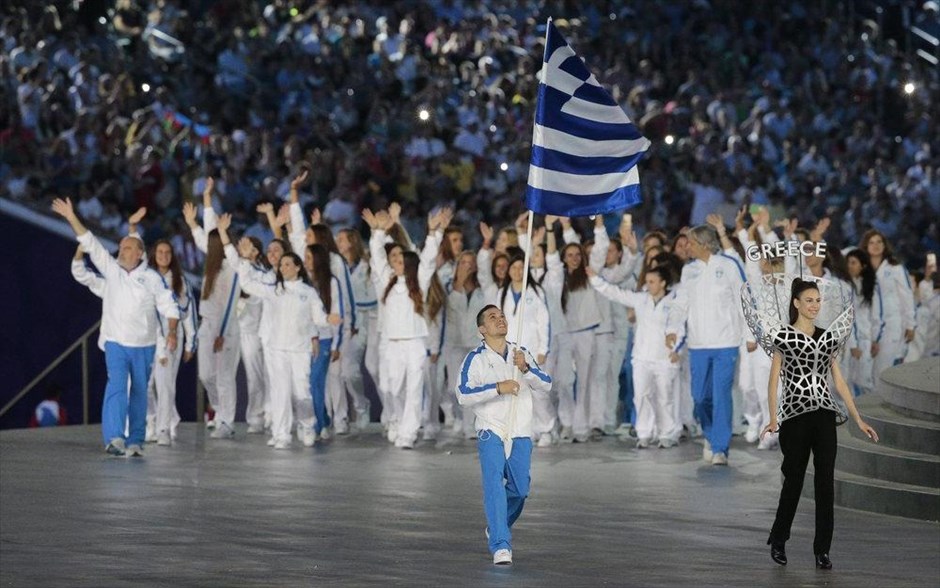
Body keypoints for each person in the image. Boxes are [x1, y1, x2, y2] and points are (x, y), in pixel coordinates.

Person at [745, 277, 878, 570]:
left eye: (818, 300)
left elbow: (839, 381)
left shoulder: (828, 337)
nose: (815, 305)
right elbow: (773, 380)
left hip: (824, 415)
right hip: (794, 417)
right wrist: (772, 416)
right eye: (809, 300)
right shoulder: (784, 337)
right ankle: (779, 539)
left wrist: (858, 418)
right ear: (796, 303)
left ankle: (823, 550)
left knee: (825, 483)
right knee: (793, 479)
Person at [52, 197, 179, 457]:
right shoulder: (112, 271)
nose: (120, 250)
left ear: (140, 253)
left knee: (140, 394)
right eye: (121, 247)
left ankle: (135, 440)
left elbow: (169, 306)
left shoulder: (153, 278)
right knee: (117, 386)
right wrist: (71, 216)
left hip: (144, 344)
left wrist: (173, 332)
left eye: (127, 247)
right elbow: (90, 242)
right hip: (115, 342)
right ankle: (114, 438)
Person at [219, 219, 339, 449]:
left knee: (301, 390)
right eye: (281, 265)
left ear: (297, 267)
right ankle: (281, 433)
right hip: (276, 348)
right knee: (279, 390)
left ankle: (306, 425)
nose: (282, 268)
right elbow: (247, 284)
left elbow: (318, 317)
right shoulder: (273, 289)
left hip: (300, 348)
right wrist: (244, 259)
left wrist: (329, 320)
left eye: (287, 264)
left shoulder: (308, 292)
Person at [456, 304, 552, 566]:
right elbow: (463, 394)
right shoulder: (475, 359)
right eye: (492, 317)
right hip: (491, 429)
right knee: (494, 485)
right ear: (482, 330)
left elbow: (546, 385)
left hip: (520, 429)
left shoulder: (521, 355)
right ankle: (501, 544)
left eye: (501, 316)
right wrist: (498, 388)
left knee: (520, 490)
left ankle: (498, 525)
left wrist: (526, 370)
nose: (500, 319)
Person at [363, 205, 445, 449]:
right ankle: (397, 419)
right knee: (391, 387)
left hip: (415, 343)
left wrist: (433, 233)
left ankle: (408, 432)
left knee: (414, 388)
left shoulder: (419, 281)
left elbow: (429, 259)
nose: (397, 261)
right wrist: (377, 232)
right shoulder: (385, 280)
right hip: (391, 344)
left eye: (401, 258)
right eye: (394, 258)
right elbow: (377, 257)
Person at [666, 224, 748, 465]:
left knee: (721, 394)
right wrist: (672, 329)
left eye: (690, 242)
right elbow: (681, 303)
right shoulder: (688, 270)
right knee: (700, 397)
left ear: (703, 244)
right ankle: (711, 436)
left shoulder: (728, 265)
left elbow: (745, 298)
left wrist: (752, 335)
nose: (686, 246)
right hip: (698, 344)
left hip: (726, 342)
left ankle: (720, 447)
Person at [588, 266, 683, 448]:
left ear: (663, 283)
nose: (647, 285)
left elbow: (681, 326)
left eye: (652, 282)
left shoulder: (674, 301)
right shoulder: (641, 299)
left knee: (664, 397)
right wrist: (595, 280)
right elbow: (615, 293)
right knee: (641, 396)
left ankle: (666, 433)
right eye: (646, 281)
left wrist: (677, 348)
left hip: (664, 358)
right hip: (641, 357)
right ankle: (644, 433)